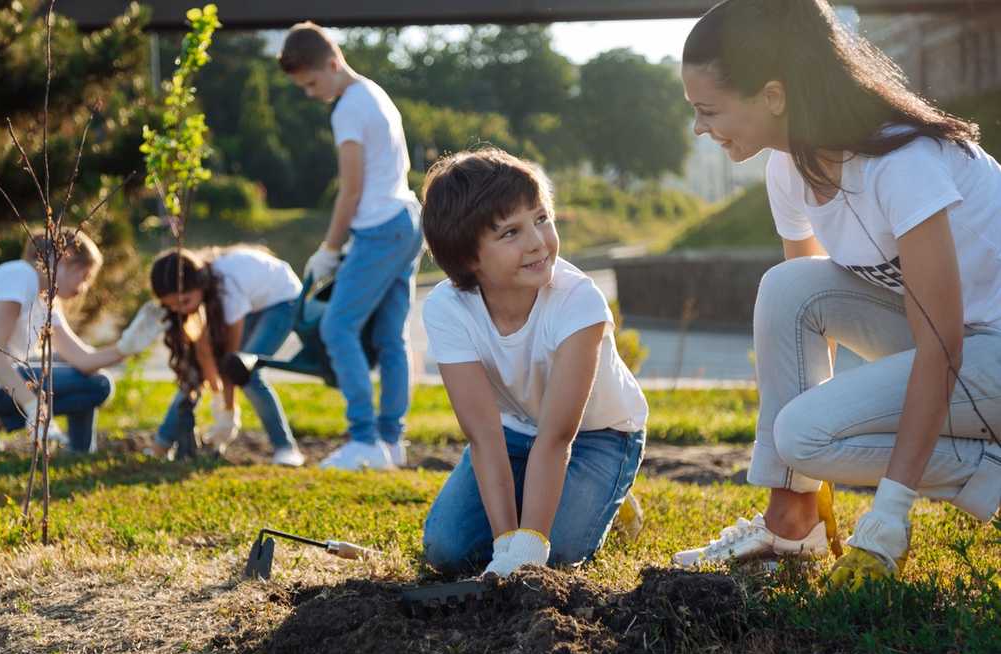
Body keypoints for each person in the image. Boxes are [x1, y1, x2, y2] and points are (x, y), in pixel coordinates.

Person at [671, 0, 1001, 587]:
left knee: (804, 432)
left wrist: (888, 516)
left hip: (984, 348)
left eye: (708, 110)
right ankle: (792, 523)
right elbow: (801, 319)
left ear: (773, 95)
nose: (700, 127)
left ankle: (991, 467)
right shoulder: (788, 167)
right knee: (787, 286)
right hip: (959, 347)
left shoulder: (902, 162)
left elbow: (942, 344)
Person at [418, 148, 648, 576]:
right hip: (514, 433)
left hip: (600, 435)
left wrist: (527, 549)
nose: (538, 242)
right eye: (510, 233)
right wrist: (507, 542)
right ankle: (538, 500)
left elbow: (558, 437)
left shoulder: (578, 302)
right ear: (469, 257)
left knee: (555, 554)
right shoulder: (448, 309)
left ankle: (611, 493)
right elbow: (485, 436)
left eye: (541, 218)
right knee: (447, 551)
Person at [278, 21, 423, 471]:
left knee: (337, 328)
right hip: (407, 220)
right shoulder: (376, 94)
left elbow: (351, 189)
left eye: (311, 82)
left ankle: (364, 442)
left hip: (379, 229)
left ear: (332, 62)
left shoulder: (348, 109)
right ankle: (390, 440)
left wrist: (329, 248)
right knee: (390, 337)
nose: (310, 93)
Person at [0, 228, 164, 453]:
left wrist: (127, 346)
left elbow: (83, 360)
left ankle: (72, 449)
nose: (84, 288)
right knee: (98, 385)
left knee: (95, 380)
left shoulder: (44, 298)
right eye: (84, 276)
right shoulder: (21, 275)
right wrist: (32, 405)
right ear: (66, 257)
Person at [149, 245, 306, 466]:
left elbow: (231, 360)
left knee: (247, 374)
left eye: (184, 302)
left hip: (283, 300)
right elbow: (204, 355)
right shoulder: (200, 296)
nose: (180, 310)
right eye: (172, 306)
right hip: (252, 303)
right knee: (192, 373)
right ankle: (161, 444)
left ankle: (285, 448)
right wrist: (217, 397)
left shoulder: (226, 288)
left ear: (199, 285)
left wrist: (228, 412)